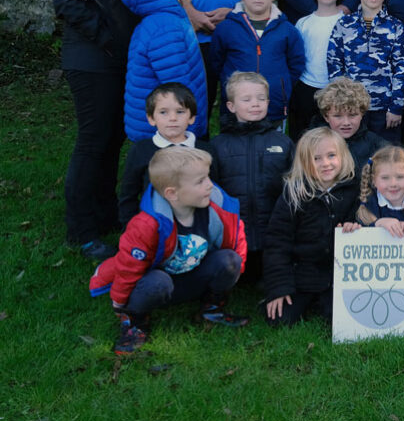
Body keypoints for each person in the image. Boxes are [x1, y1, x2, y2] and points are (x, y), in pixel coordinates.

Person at [52, 0, 144, 260]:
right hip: (92, 59)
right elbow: (70, 4)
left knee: (112, 140)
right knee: (93, 142)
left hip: (121, 60)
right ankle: (81, 229)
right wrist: (110, 41)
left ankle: (105, 216)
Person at [89, 146, 248, 355]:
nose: (210, 185)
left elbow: (237, 238)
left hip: (193, 276)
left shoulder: (215, 207)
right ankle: (136, 322)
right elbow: (128, 266)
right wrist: (120, 301)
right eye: (200, 181)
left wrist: (235, 272)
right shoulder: (147, 225)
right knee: (157, 282)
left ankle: (211, 308)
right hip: (159, 285)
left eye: (207, 177)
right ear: (172, 193)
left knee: (230, 259)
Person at [264, 128, 360, 326]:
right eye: (316, 158)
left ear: (343, 156)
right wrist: (279, 288)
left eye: (331, 155)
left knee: (342, 320)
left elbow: (364, 226)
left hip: (339, 276)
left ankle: (325, 302)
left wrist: (356, 226)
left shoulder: (355, 189)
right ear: (304, 162)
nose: (325, 163)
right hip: (303, 274)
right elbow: (277, 243)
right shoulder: (293, 194)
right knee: (279, 320)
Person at [116, 0, 209, 141]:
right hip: (169, 133)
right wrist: (192, 129)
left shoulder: (155, 22)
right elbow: (177, 85)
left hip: (158, 128)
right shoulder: (166, 27)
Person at [208, 72, 293, 273]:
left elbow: (294, 188)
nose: (255, 104)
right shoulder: (218, 146)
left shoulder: (283, 143)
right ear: (231, 106)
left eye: (261, 99)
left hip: (274, 236)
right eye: (246, 99)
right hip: (233, 236)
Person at [210, 0, 305, 125]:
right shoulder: (226, 28)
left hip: (273, 107)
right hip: (237, 111)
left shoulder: (287, 30)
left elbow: (296, 65)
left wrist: (281, 87)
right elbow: (217, 63)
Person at [326, 0, 404, 142]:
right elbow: (334, 63)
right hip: (352, 110)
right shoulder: (344, 24)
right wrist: (341, 104)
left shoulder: (395, 26)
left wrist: (396, 107)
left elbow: (401, 69)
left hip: (384, 110)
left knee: (385, 155)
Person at [117, 83, 210, 228]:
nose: (172, 118)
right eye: (163, 112)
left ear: (191, 117)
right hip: (153, 226)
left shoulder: (204, 150)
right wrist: (131, 228)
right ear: (151, 118)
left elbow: (215, 190)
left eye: (180, 112)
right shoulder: (141, 150)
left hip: (199, 226)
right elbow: (128, 194)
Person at [289, 0, 345, 139]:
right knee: (305, 136)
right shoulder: (303, 23)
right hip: (307, 88)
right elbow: (296, 56)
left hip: (337, 89)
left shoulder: (347, 22)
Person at [355, 145, 404, 234]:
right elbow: (359, 235)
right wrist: (378, 223)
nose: (393, 184)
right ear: (374, 180)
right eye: (385, 178)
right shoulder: (368, 203)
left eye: (400, 177)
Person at [314, 78, 387, 169]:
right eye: (338, 116)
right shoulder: (312, 144)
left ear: (362, 114)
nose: (346, 123)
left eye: (352, 115)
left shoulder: (378, 146)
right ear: (326, 116)